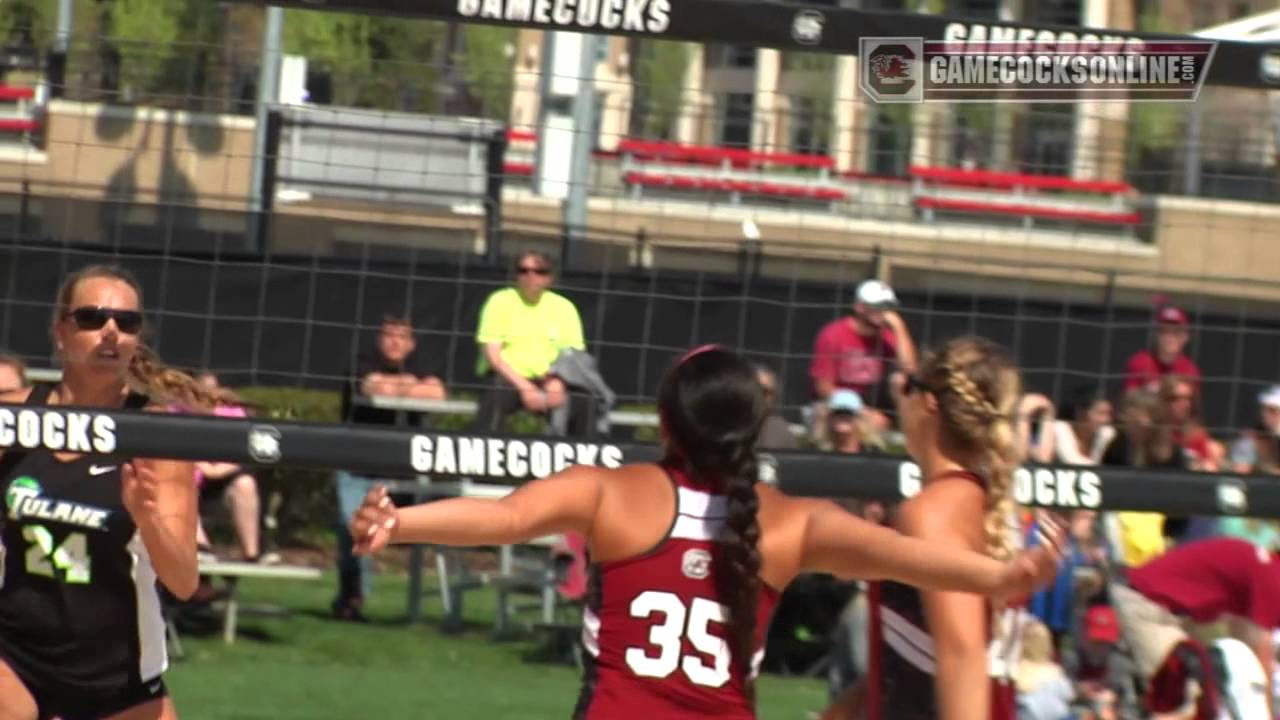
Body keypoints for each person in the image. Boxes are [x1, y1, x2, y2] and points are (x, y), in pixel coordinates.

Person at [349, 345, 1066, 719]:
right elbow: (915, 560)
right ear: (755, 432)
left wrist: (399, 521)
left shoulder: (612, 492)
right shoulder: (791, 520)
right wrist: (1003, 577)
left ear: (665, 424)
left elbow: (502, 519)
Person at [0, 264, 220, 720]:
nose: (110, 332)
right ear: (60, 331)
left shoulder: (157, 438)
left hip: (117, 678)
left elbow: (183, 581)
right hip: (15, 657)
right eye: (92, 318)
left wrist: (148, 519)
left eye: (126, 322)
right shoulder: (14, 418)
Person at [825, 335, 1034, 720]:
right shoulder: (988, 508)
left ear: (929, 402)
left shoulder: (932, 514)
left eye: (907, 386)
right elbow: (925, 659)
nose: (899, 399)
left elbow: (963, 656)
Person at [332, 313, 445, 621]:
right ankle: (352, 599)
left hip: (400, 469)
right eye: (389, 335)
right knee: (353, 527)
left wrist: (403, 384)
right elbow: (374, 388)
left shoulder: (420, 362)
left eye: (401, 336)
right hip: (355, 463)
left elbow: (438, 393)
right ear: (379, 338)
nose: (395, 342)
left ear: (411, 342)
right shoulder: (363, 360)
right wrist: (408, 385)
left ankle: (414, 607)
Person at [1111, 537, 1280, 719]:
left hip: (1166, 609)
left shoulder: (1260, 566)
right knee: (1182, 702)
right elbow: (1261, 656)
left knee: (1207, 696)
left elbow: (1244, 643)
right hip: (1148, 608)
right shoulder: (1271, 576)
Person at [474, 251, 586, 432]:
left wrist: (558, 381)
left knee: (584, 401)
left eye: (539, 271)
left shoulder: (564, 307)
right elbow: (494, 357)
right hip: (508, 379)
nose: (530, 276)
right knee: (495, 396)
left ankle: (585, 458)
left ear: (549, 277)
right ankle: (484, 457)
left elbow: (573, 357)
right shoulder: (500, 301)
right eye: (523, 270)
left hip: (550, 379)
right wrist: (525, 387)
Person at [809, 279, 917, 432]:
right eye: (877, 306)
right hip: (837, 404)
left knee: (900, 381)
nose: (883, 312)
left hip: (875, 404)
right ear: (859, 307)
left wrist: (899, 328)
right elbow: (823, 387)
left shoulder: (888, 337)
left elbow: (910, 370)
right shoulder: (833, 334)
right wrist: (860, 411)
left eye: (888, 307)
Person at [1123, 304, 1201, 394]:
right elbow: (1129, 401)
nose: (1170, 337)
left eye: (1177, 332)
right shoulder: (1139, 362)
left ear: (1186, 336)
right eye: (1164, 331)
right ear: (1156, 334)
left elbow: (1192, 406)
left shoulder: (1191, 370)